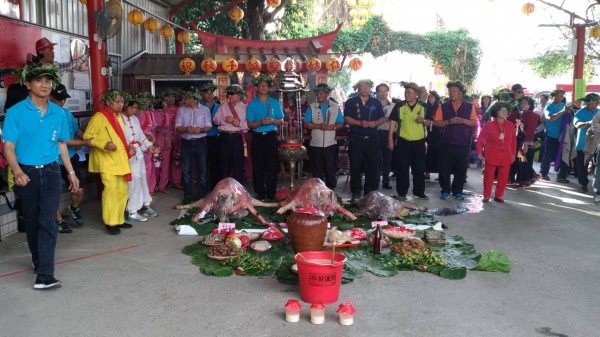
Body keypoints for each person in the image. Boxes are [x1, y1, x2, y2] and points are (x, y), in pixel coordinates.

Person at [2, 64, 79, 289]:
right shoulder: (16, 112)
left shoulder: (59, 113)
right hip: (26, 173)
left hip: (52, 171)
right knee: (34, 222)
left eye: (48, 81)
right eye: (39, 81)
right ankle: (39, 261)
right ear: (28, 84)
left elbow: (61, 143)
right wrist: (17, 172)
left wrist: (71, 173)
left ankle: (45, 273)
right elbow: (8, 147)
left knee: (48, 221)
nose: (45, 85)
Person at [83, 89, 133, 235]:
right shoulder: (99, 117)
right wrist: (104, 144)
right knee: (111, 191)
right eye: (118, 101)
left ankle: (119, 219)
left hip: (120, 160)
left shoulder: (118, 117)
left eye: (122, 101)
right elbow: (87, 137)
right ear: (108, 102)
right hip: (107, 161)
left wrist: (129, 147)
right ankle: (110, 222)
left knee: (122, 190)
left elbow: (120, 138)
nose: (121, 104)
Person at [48, 84, 89, 234]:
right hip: (51, 160)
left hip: (70, 158)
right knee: (52, 194)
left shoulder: (66, 114)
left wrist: (90, 139)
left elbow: (77, 131)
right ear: (50, 97)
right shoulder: (45, 116)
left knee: (79, 191)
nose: (62, 101)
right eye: (58, 99)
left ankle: (73, 208)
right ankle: (58, 220)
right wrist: (85, 143)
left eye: (64, 98)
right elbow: (62, 141)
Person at [434, 80, 478, 200]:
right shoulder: (443, 106)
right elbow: (437, 123)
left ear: (460, 93)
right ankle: (445, 190)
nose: (452, 93)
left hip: (463, 143)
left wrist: (463, 121)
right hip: (446, 142)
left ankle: (457, 190)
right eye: (450, 91)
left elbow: (474, 122)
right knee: (444, 168)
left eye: (455, 91)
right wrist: (448, 122)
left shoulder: (469, 107)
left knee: (461, 168)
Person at [388, 82, 431, 200]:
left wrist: (423, 121)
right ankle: (401, 193)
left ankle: (419, 192)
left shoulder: (424, 106)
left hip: (419, 141)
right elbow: (393, 122)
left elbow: (430, 122)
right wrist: (390, 138)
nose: (407, 94)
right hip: (403, 141)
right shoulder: (399, 106)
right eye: (405, 92)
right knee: (402, 168)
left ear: (416, 94)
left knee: (419, 168)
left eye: (409, 92)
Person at [344, 79, 385, 200]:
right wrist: (358, 123)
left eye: (367, 86)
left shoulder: (376, 102)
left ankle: (370, 191)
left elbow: (382, 118)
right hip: (356, 138)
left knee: (372, 165)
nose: (365, 88)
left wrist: (375, 123)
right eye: (362, 86)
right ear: (358, 88)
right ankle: (356, 190)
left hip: (372, 139)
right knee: (355, 165)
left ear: (370, 88)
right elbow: (346, 118)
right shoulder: (351, 101)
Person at [246, 74, 284, 200]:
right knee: (258, 165)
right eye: (261, 85)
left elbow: (281, 120)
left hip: (271, 137)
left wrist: (272, 120)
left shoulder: (275, 103)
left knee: (272, 166)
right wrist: (260, 123)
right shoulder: (251, 104)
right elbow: (249, 124)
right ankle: (260, 193)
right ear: (256, 87)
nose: (263, 87)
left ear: (268, 88)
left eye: (265, 85)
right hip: (257, 138)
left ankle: (271, 193)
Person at [122, 99, 160, 221]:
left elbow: (141, 136)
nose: (134, 110)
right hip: (128, 154)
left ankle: (145, 205)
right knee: (133, 181)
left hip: (138, 153)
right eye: (132, 108)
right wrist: (129, 147)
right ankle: (132, 211)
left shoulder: (134, 119)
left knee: (143, 178)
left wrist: (149, 146)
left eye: (136, 108)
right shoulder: (119, 119)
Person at [303, 83, 344, 189]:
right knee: (316, 169)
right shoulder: (312, 107)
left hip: (331, 143)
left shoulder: (335, 107)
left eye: (321, 93)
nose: (318, 96)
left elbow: (341, 123)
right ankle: (318, 190)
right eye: (317, 94)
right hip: (315, 143)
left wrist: (333, 127)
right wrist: (318, 126)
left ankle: (331, 191)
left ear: (327, 94)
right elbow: (306, 123)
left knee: (331, 168)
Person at [174, 87, 213, 199]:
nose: (184, 101)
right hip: (186, 142)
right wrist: (186, 129)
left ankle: (202, 195)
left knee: (203, 169)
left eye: (186, 98)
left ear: (194, 99)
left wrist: (200, 130)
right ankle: (188, 195)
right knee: (186, 170)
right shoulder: (182, 109)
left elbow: (209, 126)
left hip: (201, 142)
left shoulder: (204, 110)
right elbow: (177, 127)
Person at [476, 102, 517, 203]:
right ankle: (486, 196)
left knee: (504, 177)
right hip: (491, 154)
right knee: (488, 177)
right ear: (496, 111)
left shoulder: (511, 125)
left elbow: (514, 141)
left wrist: (513, 154)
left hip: (506, 155)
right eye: (501, 110)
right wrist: (479, 152)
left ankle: (499, 195)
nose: (504, 112)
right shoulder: (489, 125)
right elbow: (481, 139)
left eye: (506, 110)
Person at [213, 84, 248, 184]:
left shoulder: (245, 108)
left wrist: (239, 123)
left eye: (232, 94)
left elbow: (249, 124)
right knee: (224, 165)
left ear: (239, 95)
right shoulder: (223, 106)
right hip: (224, 137)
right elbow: (215, 120)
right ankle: (224, 190)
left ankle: (238, 191)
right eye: (229, 94)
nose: (230, 96)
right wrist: (225, 119)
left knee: (238, 165)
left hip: (237, 137)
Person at [540, 89, 570, 183]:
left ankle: (561, 176)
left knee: (561, 156)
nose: (560, 98)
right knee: (548, 155)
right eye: (558, 96)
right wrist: (563, 111)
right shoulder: (549, 107)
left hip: (562, 136)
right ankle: (544, 172)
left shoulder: (564, 106)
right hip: (551, 135)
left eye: (561, 96)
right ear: (553, 96)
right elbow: (551, 118)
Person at [152, 89, 177, 194]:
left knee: (163, 167)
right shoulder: (152, 114)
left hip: (166, 145)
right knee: (156, 167)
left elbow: (171, 128)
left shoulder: (167, 114)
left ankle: (161, 185)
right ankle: (155, 185)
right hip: (157, 144)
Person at [573, 93, 599, 193]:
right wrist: (589, 123)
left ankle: (597, 186)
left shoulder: (599, 112)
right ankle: (583, 184)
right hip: (582, 143)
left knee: (598, 165)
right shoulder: (580, 112)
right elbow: (577, 124)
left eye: (593, 103)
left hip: (597, 144)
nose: (591, 105)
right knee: (582, 166)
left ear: (597, 103)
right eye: (589, 103)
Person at [200, 83, 221, 190]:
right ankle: (203, 187)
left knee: (214, 162)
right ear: (203, 94)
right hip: (201, 137)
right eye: (206, 93)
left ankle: (215, 186)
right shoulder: (198, 106)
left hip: (214, 138)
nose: (209, 95)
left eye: (211, 93)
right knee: (202, 163)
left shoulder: (219, 106)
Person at [517, 96, 541, 187]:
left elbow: (530, 131)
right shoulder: (522, 114)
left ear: (530, 105)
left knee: (526, 160)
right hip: (522, 140)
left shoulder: (533, 115)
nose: (522, 105)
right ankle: (525, 178)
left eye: (525, 103)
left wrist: (526, 145)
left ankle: (527, 179)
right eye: (521, 103)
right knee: (522, 160)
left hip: (528, 141)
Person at [376, 83, 394, 189]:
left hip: (388, 133)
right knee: (375, 158)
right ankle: (376, 179)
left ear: (387, 92)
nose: (382, 93)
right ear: (377, 93)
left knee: (387, 159)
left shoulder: (393, 106)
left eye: (384, 91)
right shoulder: (374, 105)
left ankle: (386, 181)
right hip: (376, 133)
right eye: (380, 91)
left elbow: (396, 121)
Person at [424, 91, 441, 180]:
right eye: (429, 97)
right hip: (428, 131)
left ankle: (439, 173)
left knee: (437, 152)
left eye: (432, 97)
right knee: (428, 152)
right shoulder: (426, 107)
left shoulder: (439, 107)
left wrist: (433, 122)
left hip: (437, 132)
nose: (430, 99)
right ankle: (427, 172)